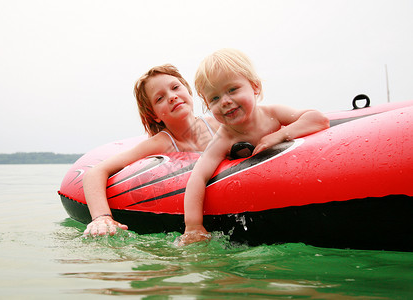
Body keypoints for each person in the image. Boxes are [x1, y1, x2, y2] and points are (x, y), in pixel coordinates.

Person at [179, 49, 330, 245]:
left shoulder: (272, 114)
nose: (225, 101)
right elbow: (198, 176)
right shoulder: (224, 138)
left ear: (255, 86)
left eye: (232, 89)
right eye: (214, 98)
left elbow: (319, 119)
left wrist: (278, 136)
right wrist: (192, 225)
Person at [82, 64, 220, 237]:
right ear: (154, 115)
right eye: (159, 98)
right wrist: (101, 217)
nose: (172, 97)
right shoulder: (162, 143)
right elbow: (94, 173)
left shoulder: (217, 126)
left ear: (188, 91)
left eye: (176, 87)